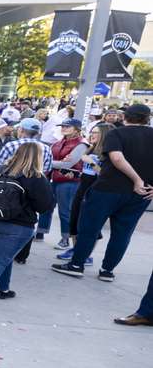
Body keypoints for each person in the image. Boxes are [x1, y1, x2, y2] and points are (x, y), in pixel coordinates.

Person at [53, 103, 153, 282]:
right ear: (147, 118)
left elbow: (116, 158)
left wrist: (136, 179)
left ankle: (76, 265)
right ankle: (107, 270)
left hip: (108, 188)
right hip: (141, 193)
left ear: (125, 117)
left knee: (89, 228)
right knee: (123, 233)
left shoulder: (116, 133)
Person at [0, 142, 54, 309]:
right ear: (39, 158)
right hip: (18, 226)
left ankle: (4, 289)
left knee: (4, 256)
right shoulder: (36, 177)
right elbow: (44, 207)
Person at [58, 122, 114, 266]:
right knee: (75, 221)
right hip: (82, 187)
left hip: (96, 191)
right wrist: (74, 173)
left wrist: (92, 163)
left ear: (104, 134)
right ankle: (76, 249)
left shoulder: (109, 153)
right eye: (91, 132)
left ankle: (86, 255)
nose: (91, 135)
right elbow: (87, 172)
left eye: (95, 132)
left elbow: (107, 175)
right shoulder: (91, 149)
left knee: (89, 224)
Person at [48, 118, 87, 250]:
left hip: (70, 181)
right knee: (46, 206)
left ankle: (65, 239)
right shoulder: (60, 142)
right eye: (62, 126)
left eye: (67, 126)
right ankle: (40, 232)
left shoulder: (82, 144)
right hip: (55, 178)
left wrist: (48, 162)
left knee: (65, 211)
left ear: (77, 129)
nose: (63, 128)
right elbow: (54, 159)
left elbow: (68, 164)